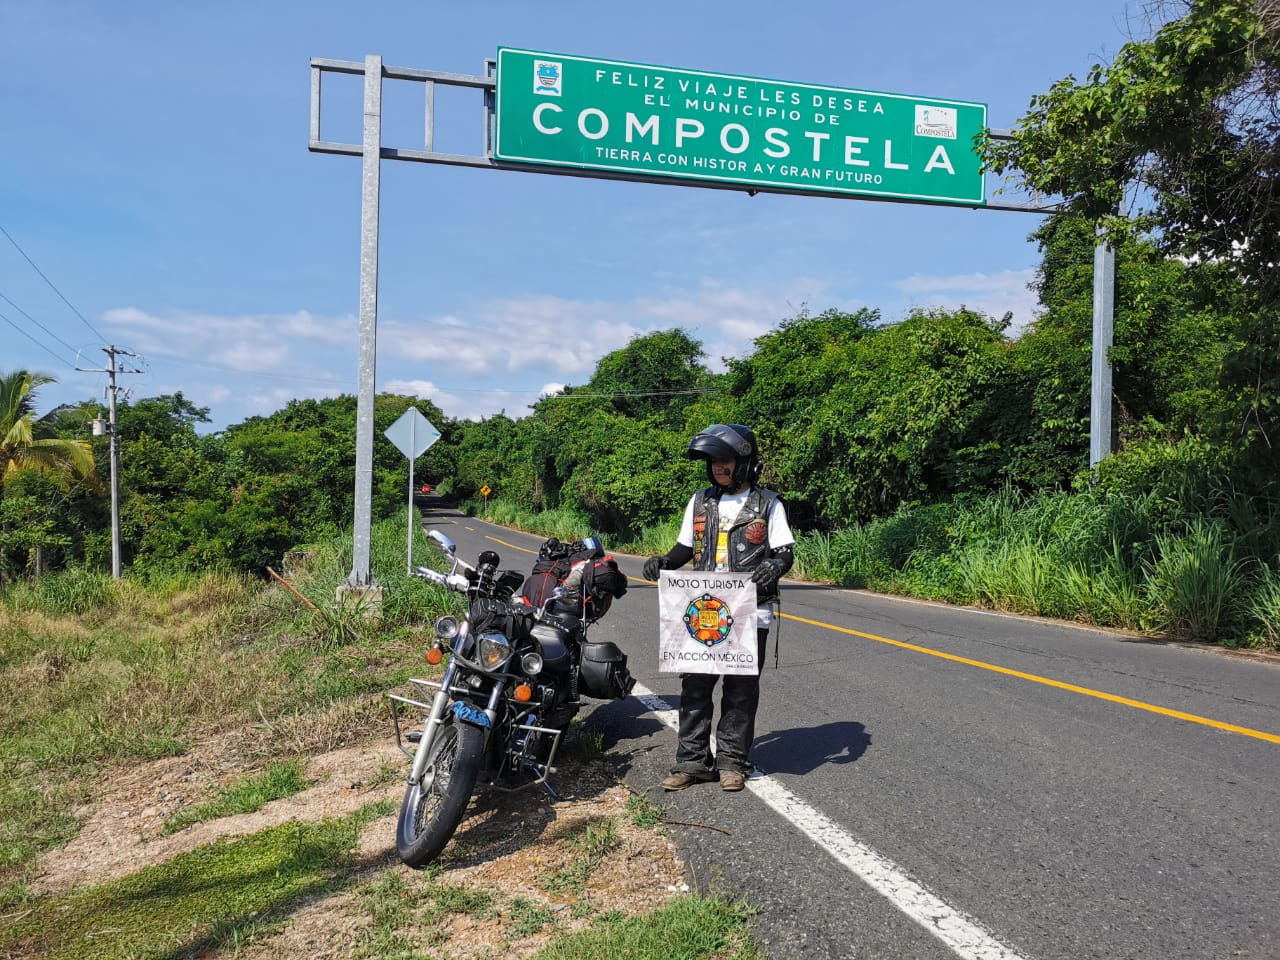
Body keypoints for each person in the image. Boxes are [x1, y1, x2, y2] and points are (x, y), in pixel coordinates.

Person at [643, 424, 794, 792]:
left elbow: (784, 552)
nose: (717, 467)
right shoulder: (700, 501)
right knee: (695, 686)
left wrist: (775, 565)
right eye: (712, 461)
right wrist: (664, 561)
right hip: (703, 610)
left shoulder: (768, 504)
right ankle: (692, 762)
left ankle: (731, 763)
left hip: (750, 611)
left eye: (724, 460)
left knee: (741, 690)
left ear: (745, 463)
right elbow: (685, 548)